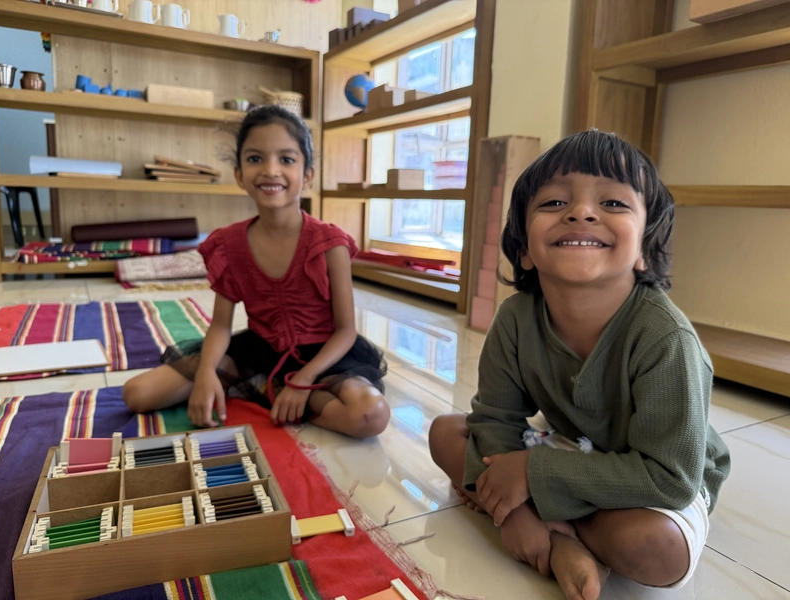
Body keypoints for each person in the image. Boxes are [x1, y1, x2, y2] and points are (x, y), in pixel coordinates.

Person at [428, 130, 730, 600]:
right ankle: (558, 536)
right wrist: (517, 512)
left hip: (656, 475)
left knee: (657, 549)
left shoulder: (666, 338)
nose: (581, 212)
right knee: (445, 432)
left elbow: (670, 479)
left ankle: (554, 528)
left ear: (644, 247)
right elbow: (494, 421)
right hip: (574, 445)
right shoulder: (515, 318)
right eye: (554, 203)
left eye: (613, 203)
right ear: (524, 247)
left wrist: (530, 476)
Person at [123, 105, 389, 438]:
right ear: (239, 174)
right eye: (255, 158)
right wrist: (206, 373)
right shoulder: (228, 245)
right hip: (257, 352)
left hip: (325, 356)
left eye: (286, 159)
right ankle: (270, 387)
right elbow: (221, 325)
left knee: (371, 415)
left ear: (308, 175)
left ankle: (276, 390)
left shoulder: (329, 244)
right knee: (137, 394)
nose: (270, 170)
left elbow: (346, 331)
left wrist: (303, 381)